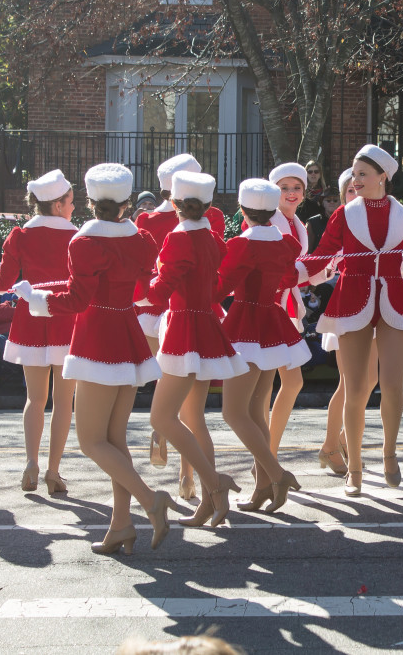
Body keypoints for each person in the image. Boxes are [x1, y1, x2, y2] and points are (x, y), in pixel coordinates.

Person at [14, 164, 176, 554]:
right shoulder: (140, 240)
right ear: (124, 203)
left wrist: (36, 299)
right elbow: (140, 290)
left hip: (97, 338)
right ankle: (120, 525)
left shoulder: (83, 243)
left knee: (90, 441)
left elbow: (77, 300)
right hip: (127, 333)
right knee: (115, 440)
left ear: (88, 202)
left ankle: (151, 501)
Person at [299, 144, 403, 497]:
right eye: (353, 174)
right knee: (354, 388)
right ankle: (354, 468)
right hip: (352, 298)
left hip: (393, 300)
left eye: (362, 174)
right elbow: (322, 255)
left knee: (392, 384)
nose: (355, 180)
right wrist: (293, 271)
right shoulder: (344, 214)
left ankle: (389, 454)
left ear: (383, 176)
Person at [143, 169, 243, 528]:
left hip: (184, 328)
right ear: (210, 205)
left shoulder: (178, 237)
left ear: (173, 203)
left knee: (161, 417)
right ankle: (208, 499)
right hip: (204, 324)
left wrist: (130, 289)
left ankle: (216, 484)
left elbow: (159, 291)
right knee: (193, 418)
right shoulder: (213, 238)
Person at [135, 154, 224, 500]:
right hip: (192, 314)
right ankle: (191, 481)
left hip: (166, 312)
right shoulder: (209, 220)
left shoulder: (152, 221)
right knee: (192, 411)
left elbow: (152, 274)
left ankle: (164, 435)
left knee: (170, 400)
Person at [215, 179, 307, 512]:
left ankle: (277, 475)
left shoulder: (241, 243)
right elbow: (289, 278)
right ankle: (263, 487)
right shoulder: (284, 242)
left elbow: (220, 286)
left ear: (242, 210)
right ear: (272, 210)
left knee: (233, 412)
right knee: (256, 412)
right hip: (271, 322)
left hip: (245, 324)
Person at [0, 169, 79, 494]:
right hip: (65, 318)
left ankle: (31, 462)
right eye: (70, 201)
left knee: (34, 398)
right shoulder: (76, 236)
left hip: (29, 319)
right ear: (57, 204)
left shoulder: (20, 236)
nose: (73, 207)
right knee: (62, 400)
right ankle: (53, 471)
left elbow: (2, 284)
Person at [314, 168, 379, 477]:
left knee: (371, 380)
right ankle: (330, 444)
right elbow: (324, 257)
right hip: (348, 305)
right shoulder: (342, 221)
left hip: (377, 303)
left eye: (358, 190)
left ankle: (341, 438)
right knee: (349, 383)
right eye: (349, 192)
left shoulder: (378, 219)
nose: (356, 196)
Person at [263, 162, 312, 457]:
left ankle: (268, 453)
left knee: (292, 382)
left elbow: (297, 273)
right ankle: (265, 458)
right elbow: (278, 271)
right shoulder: (267, 222)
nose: (291, 193)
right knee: (264, 389)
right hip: (266, 309)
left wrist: (322, 269)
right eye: (284, 188)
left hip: (287, 309)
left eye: (297, 188)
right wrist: (313, 271)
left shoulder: (297, 224)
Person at [305, 187, 340, 252]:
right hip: (318, 260)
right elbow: (307, 250)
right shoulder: (312, 223)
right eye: (328, 200)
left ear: (340, 202)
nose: (332, 202)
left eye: (335, 200)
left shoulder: (346, 221)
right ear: (322, 203)